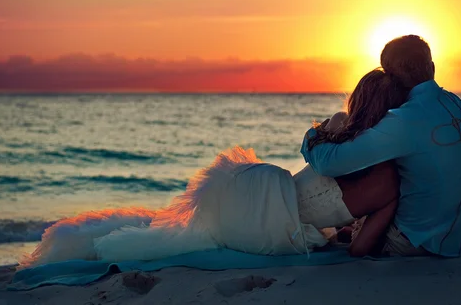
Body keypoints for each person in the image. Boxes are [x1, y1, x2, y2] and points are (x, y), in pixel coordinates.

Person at [21, 70, 408, 267]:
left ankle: (80, 242)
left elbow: (317, 155)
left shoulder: (340, 125)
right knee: (193, 238)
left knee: (179, 229)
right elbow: (359, 250)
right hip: (272, 227)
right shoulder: (387, 178)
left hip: (253, 189)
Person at [301, 35, 461, 257]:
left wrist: (314, 134)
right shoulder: (455, 102)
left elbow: (328, 163)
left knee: (370, 164)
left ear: (388, 75)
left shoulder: (405, 120)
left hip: (419, 245)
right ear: (432, 68)